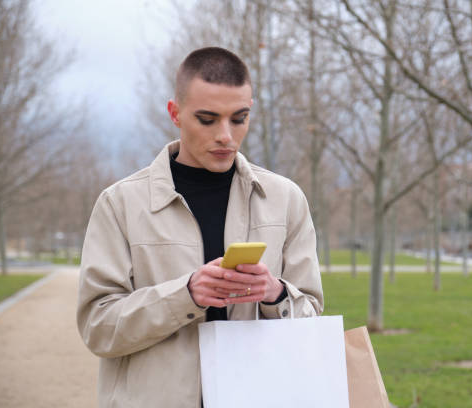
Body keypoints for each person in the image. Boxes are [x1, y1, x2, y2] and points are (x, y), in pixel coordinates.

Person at [76, 47, 323, 408]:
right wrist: (186, 295)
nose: (226, 135)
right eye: (207, 119)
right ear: (175, 113)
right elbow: (98, 328)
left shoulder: (286, 199)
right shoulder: (120, 204)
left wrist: (276, 294)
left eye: (239, 118)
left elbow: (312, 317)